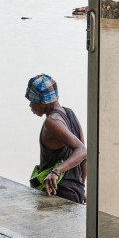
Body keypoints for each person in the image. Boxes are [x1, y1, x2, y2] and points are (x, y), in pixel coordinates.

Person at [25, 74, 87, 204]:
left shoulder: (51, 122)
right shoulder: (70, 113)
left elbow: (82, 150)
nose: (30, 105)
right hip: (74, 192)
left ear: (42, 101)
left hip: (58, 193)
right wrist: (80, 188)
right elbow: (83, 158)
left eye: (32, 100)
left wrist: (56, 171)